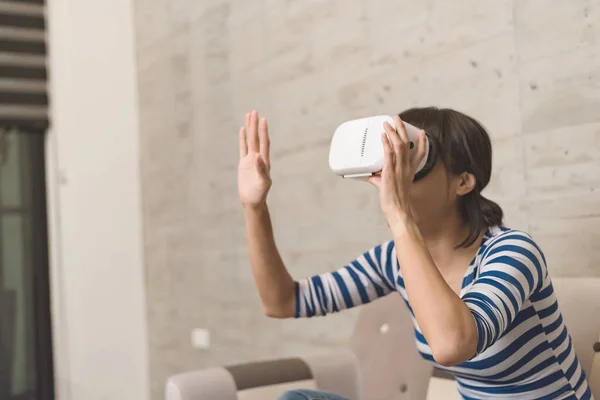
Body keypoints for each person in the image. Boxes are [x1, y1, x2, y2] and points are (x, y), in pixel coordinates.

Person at [237, 108, 593, 400]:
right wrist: (254, 208)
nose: (396, 173)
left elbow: (453, 344)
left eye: (411, 160)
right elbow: (284, 302)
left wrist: (399, 215)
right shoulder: (394, 259)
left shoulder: (512, 251)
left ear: (463, 182)